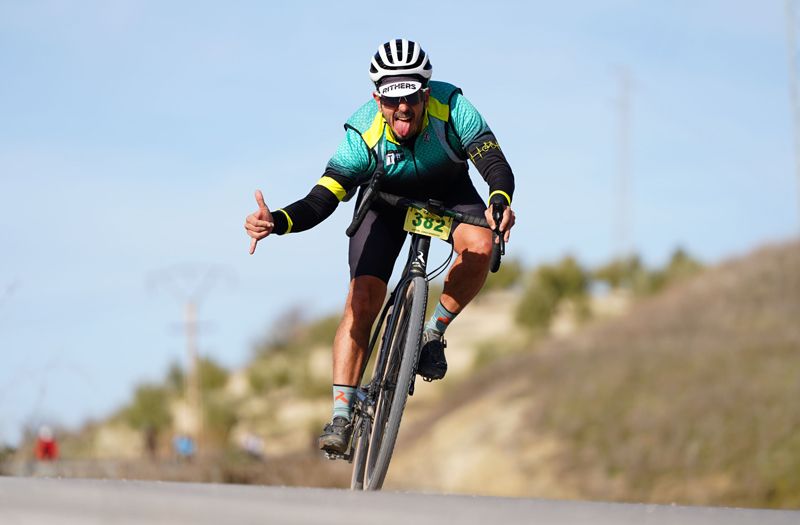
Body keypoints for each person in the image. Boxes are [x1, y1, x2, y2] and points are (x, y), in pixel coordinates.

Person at [244, 39, 516, 455]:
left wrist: (499, 200)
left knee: (480, 245)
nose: (402, 110)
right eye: (392, 102)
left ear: (425, 93)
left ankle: (432, 333)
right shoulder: (362, 132)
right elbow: (322, 199)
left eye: (410, 98)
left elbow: (493, 162)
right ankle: (341, 412)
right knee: (362, 298)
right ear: (377, 99)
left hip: (449, 195)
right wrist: (278, 221)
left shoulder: (454, 107)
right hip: (384, 205)